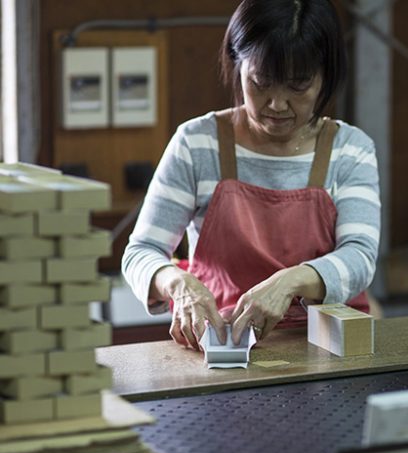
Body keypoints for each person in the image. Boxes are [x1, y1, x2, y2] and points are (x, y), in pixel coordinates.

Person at [122, 0, 380, 350]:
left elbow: (360, 257)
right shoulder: (197, 144)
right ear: (237, 64)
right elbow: (140, 252)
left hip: (327, 346)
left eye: (298, 86)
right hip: (222, 343)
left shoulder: (350, 149)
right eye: (260, 82)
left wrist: (290, 282)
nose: (276, 104)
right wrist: (178, 284)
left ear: (326, 76)